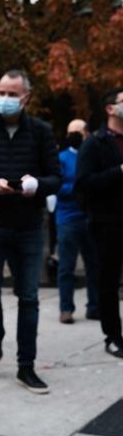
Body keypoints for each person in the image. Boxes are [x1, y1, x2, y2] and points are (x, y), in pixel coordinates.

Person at [0, 69, 61, 394]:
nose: (4, 99)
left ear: (26, 97)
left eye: (12, 94)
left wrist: (36, 185)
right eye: (1, 92)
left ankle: (26, 366)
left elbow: (56, 178)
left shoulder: (42, 132)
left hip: (29, 227)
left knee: (28, 297)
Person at [75, 86, 123, 358]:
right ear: (110, 109)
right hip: (108, 224)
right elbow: (84, 184)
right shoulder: (95, 142)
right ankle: (113, 336)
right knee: (108, 282)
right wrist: (119, 171)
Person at [56, 119, 99, 324]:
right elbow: (57, 185)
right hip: (68, 218)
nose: (74, 135)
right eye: (70, 131)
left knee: (94, 265)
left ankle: (94, 306)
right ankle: (66, 309)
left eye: (78, 131)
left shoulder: (93, 156)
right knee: (66, 267)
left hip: (91, 218)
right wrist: (79, 187)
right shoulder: (62, 158)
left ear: (86, 133)